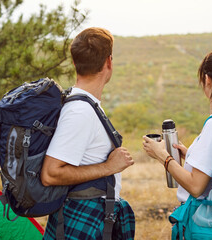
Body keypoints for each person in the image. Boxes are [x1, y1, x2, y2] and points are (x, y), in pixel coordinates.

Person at [41, 27, 135, 240]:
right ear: (109, 62)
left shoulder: (85, 105)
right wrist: (109, 167)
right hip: (80, 219)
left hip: (88, 217)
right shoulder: (80, 111)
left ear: (75, 63)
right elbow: (51, 173)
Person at [143, 47, 212, 202]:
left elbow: (195, 187)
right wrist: (190, 155)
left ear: (207, 80)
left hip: (202, 221)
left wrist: (162, 156)